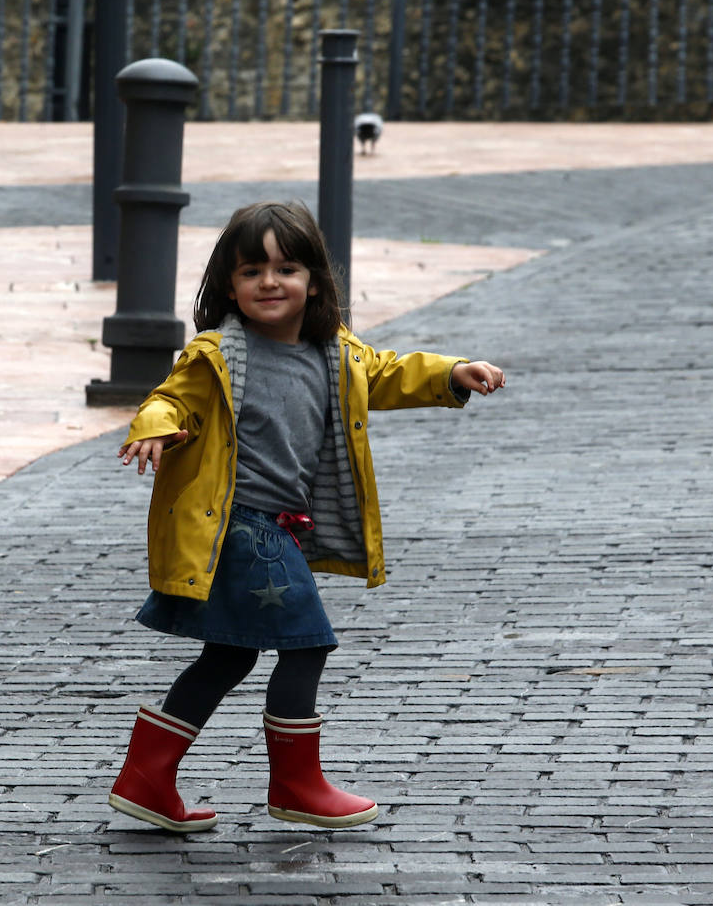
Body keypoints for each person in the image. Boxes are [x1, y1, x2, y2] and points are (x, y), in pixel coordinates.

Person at [108, 200, 505, 833]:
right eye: (251, 271)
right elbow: (168, 398)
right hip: (240, 525)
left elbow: (387, 371)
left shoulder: (332, 352)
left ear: (314, 280)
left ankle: (146, 779)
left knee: (228, 657)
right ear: (228, 286)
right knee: (308, 641)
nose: (269, 282)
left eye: (286, 268)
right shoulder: (215, 354)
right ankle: (296, 785)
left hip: (276, 526)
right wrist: (155, 430)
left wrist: (451, 372)